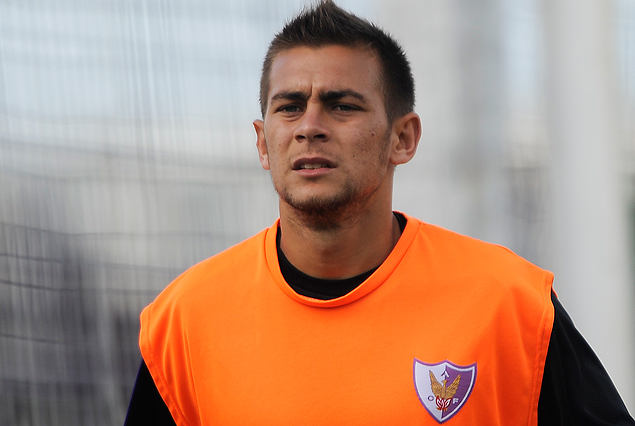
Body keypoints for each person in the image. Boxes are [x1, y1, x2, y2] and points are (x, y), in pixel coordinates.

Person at [124, 1, 635, 425]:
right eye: (289, 106)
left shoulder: (511, 304)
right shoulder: (184, 322)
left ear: (403, 138)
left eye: (342, 105)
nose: (310, 126)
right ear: (263, 142)